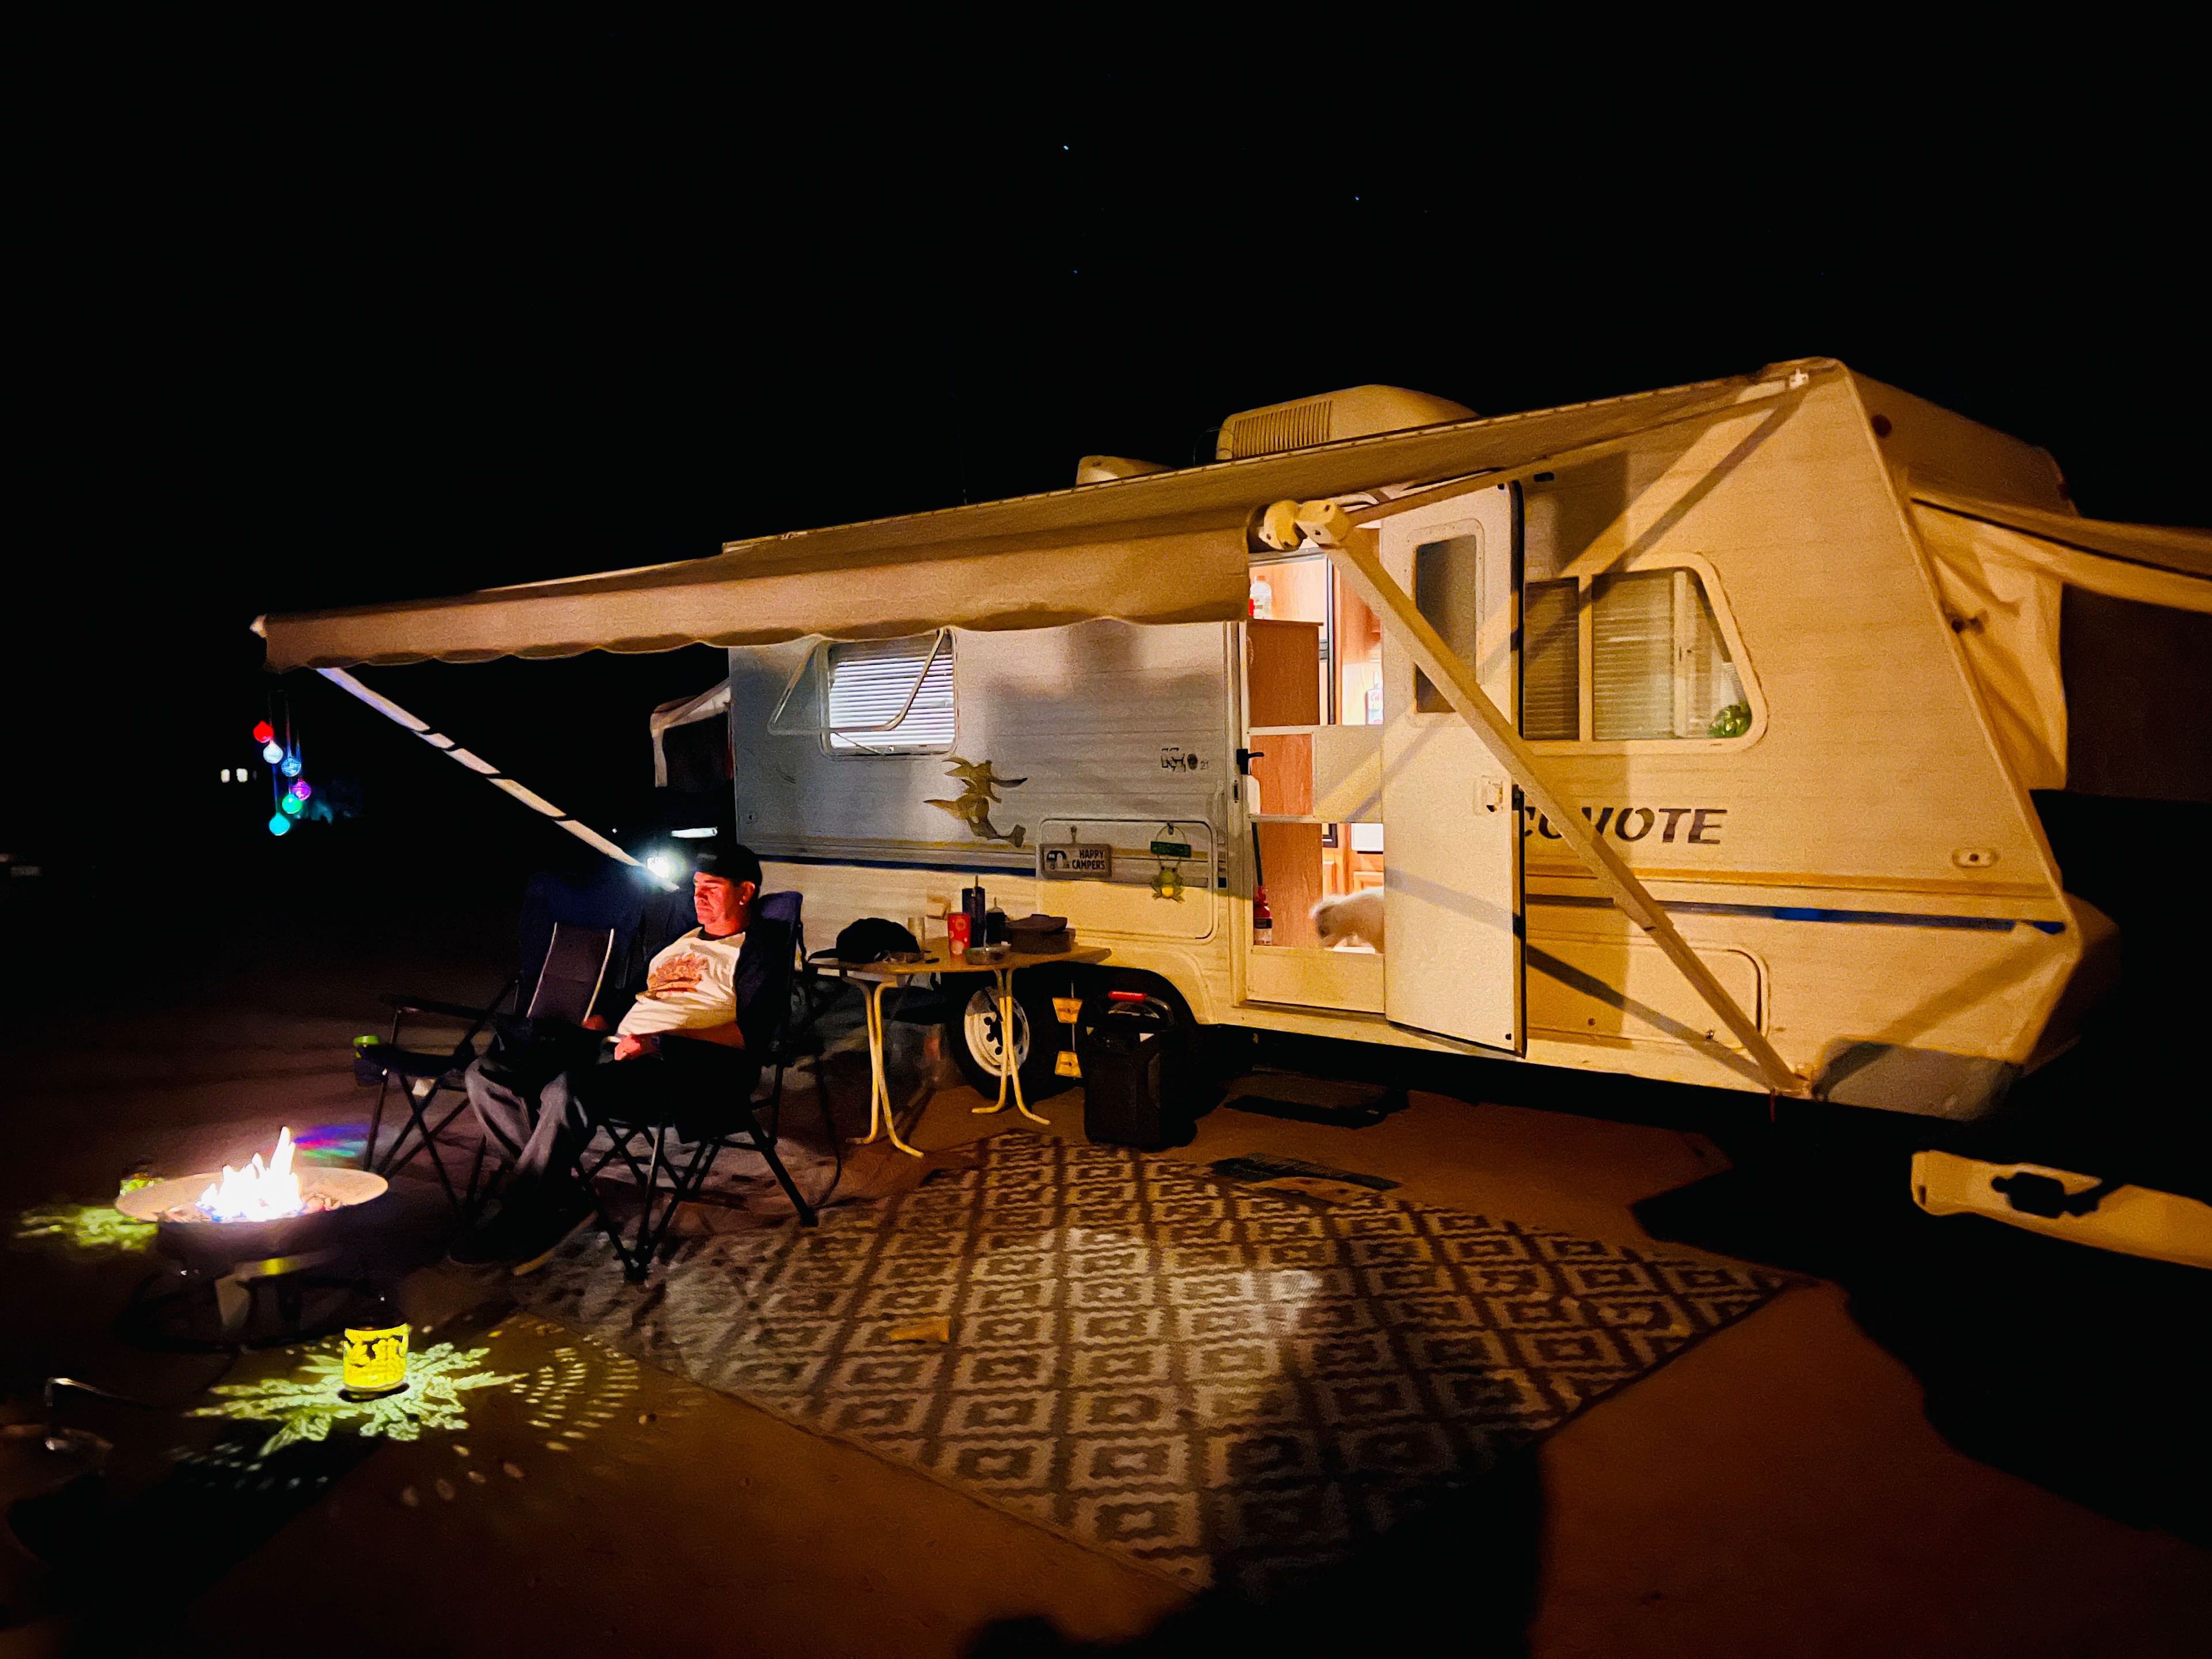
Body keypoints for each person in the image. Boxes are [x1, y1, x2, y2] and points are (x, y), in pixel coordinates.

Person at [454, 837, 787, 1271]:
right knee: (488, 1074)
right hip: (613, 1053)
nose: (698, 898)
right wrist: (601, 1019)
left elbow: (751, 1034)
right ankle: (558, 1197)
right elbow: (632, 993)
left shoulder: (759, 950)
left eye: (712, 888)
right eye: (695, 887)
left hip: (684, 1068)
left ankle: (524, 1216)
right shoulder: (680, 940)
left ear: (746, 892)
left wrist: (660, 1041)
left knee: (569, 1090)